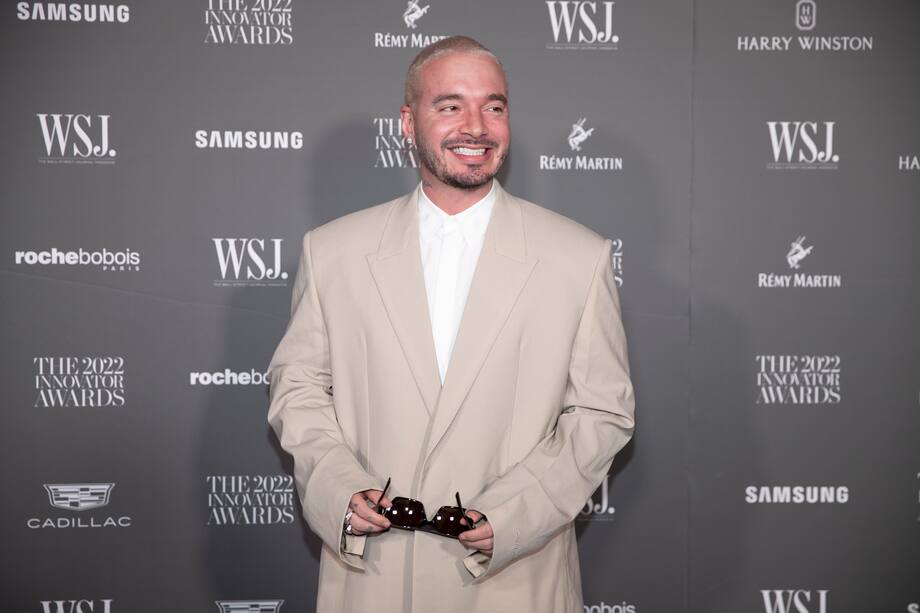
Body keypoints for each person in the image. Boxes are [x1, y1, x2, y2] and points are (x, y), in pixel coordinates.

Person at [267, 35, 635, 613]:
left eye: (494, 105)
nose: (477, 126)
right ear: (408, 122)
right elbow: (298, 389)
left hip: (511, 580)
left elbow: (601, 412)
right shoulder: (332, 251)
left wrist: (517, 512)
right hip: (373, 579)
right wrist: (338, 488)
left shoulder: (578, 257)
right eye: (450, 105)